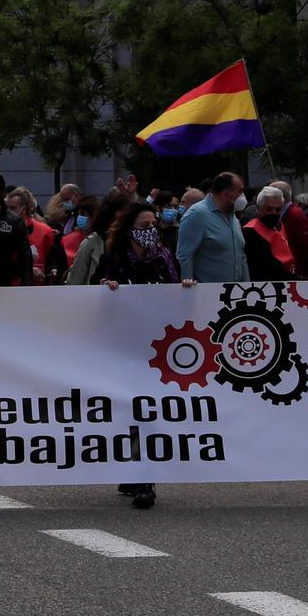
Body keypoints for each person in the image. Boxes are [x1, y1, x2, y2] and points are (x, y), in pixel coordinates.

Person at [92, 201, 196, 509]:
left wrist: (186, 287)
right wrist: (104, 287)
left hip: (156, 346)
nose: (150, 231)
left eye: (153, 225)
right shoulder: (114, 257)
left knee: (148, 409)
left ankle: (145, 478)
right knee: (128, 408)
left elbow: (176, 292)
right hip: (123, 344)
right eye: (143, 225)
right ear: (129, 229)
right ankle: (132, 468)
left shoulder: (163, 257)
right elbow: (91, 291)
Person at [176, 172, 248, 283]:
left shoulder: (233, 217)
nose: (243, 196)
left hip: (233, 295)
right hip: (206, 294)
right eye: (240, 191)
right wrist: (188, 289)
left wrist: (246, 287)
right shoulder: (197, 214)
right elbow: (185, 255)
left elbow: (241, 255)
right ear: (227, 195)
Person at [240, 185, 296, 281]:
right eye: (269, 209)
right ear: (258, 208)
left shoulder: (279, 226)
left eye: (278, 209)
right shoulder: (250, 232)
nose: (273, 213)